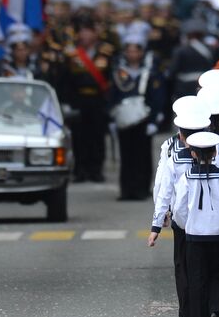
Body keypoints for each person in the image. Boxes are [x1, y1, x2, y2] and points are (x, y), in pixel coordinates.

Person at [158, 128, 219, 317]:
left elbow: (180, 209)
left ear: (193, 153)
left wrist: (187, 226)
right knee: (216, 275)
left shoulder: (187, 177)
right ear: (215, 153)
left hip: (194, 236)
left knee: (196, 277)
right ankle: (215, 310)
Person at [110, 25, 165, 201]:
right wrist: (111, 116)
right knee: (125, 155)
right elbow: (113, 94)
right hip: (124, 118)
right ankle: (126, 190)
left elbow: (157, 95)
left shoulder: (150, 70)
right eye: (129, 51)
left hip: (144, 117)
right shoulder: (119, 71)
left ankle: (142, 188)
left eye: (136, 51)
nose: (132, 54)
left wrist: (154, 120)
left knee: (143, 155)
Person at [61, 14, 115, 183]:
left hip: (98, 100)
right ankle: (80, 170)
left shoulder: (105, 53)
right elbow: (65, 80)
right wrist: (67, 102)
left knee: (97, 137)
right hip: (79, 99)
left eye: (88, 31)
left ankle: (96, 170)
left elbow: (111, 79)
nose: (85, 35)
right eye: (82, 32)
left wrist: (110, 102)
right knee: (79, 137)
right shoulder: (72, 54)